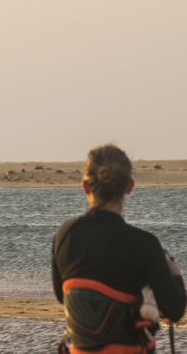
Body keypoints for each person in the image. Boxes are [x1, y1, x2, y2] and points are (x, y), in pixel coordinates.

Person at [52, 144, 185, 353]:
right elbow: (175, 311)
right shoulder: (145, 244)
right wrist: (174, 274)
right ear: (129, 187)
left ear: (85, 187)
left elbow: (63, 296)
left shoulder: (65, 235)